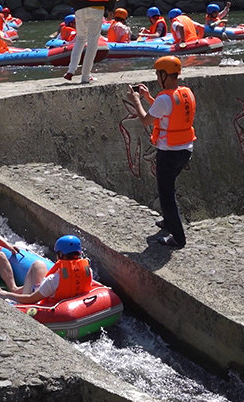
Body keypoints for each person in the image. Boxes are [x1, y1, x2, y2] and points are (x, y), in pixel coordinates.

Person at [127, 56, 195, 248]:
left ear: (164, 74)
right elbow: (167, 110)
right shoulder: (185, 92)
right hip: (185, 149)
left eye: (158, 74)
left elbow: (146, 120)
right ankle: (168, 221)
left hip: (169, 152)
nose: (157, 77)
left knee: (166, 194)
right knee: (169, 186)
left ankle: (178, 237)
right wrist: (148, 97)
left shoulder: (165, 98)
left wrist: (137, 101)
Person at [0, 235, 93, 304]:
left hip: (45, 302)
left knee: (36, 266)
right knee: (39, 264)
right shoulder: (88, 271)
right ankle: (16, 290)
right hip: (64, 295)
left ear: (61, 255)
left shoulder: (54, 279)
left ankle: (14, 292)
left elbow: (30, 299)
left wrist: (6, 295)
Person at [63, 0, 116, 84]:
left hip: (79, 8)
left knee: (80, 38)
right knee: (93, 42)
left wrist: (76, 5)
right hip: (96, 8)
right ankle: (85, 76)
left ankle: (71, 70)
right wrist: (110, 9)